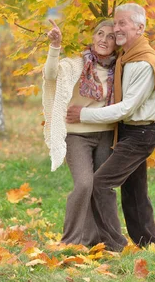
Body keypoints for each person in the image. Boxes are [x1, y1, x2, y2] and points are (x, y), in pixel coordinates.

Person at [66, 3, 155, 251]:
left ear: (140, 28)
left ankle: (114, 244)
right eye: (116, 22)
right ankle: (148, 243)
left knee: (100, 183)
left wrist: (84, 114)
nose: (117, 28)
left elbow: (126, 108)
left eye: (123, 23)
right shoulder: (125, 58)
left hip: (140, 133)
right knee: (134, 191)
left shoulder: (143, 63)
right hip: (127, 131)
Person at [42, 18, 123, 247]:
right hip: (77, 135)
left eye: (110, 36)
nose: (103, 40)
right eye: (99, 34)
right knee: (84, 185)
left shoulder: (119, 69)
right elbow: (50, 75)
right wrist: (55, 47)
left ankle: (102, 241)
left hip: (107, 134)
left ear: (117, 43)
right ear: (92, 37)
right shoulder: (77, 64)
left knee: (103, 189)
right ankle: (70, 241)